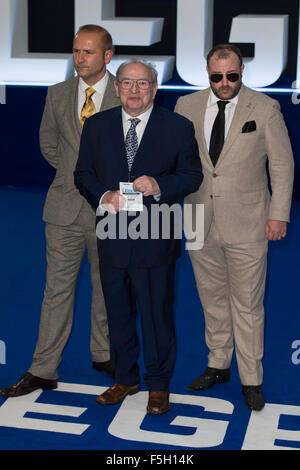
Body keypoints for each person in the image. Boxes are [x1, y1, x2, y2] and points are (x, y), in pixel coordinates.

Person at [74, 60, 203, 414]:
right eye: (127, 83)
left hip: (155, 235)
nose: (134, 90)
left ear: (154, 88)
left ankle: (158, 385)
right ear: (116, 88)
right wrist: (104, 196)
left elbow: (192, 176)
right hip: (111, 231)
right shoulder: (97, 125)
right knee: (117, 312)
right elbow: (83, 174)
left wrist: (161, 185)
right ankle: (126, 378)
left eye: (142, 84)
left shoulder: (177, 127)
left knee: (156, 314)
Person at [0, 24, 120, 398]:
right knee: (56, 292)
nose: (79, 59)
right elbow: (48, 144)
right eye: (75, 51)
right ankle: (43, 368)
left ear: (107, 56)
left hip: (112, 211)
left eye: (87, 52)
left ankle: (105, 354)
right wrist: (75, 177)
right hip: (63, 209)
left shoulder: (129, 91)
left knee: (109, 289)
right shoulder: (57, 94)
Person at [175, 44, 294, 411]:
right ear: (206, 72)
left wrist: (279, 214)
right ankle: (218, 364)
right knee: (211, 299)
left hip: (249, 221)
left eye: (232, 76)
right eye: (216, 76)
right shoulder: (186, 107)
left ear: (242, 70)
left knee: (247, 304)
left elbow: (282, 166)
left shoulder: (265, 107)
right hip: (198, 218)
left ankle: (251, 379)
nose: (224, 83)